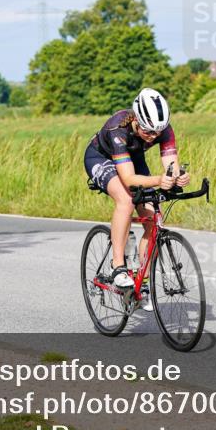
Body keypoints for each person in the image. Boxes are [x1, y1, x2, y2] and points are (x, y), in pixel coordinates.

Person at [83, 88, 191, 297]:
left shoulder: (162, 129)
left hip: (133, 158)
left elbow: (171, 165)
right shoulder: (118, 128)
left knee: (153, 217)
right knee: (126, 199)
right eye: (148, 132)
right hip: (101, 158)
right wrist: (159, 180)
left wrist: (178, 177)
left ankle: (142, 281)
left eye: (157, 133)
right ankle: (118, 266)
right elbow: (129, 179)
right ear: (136, 119)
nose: (153, 138)